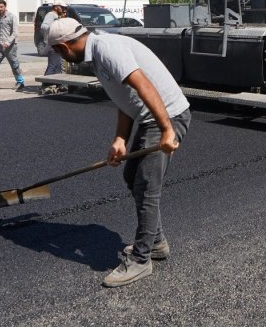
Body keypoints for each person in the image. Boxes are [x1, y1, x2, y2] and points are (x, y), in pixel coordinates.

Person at [48, 17, 191, 288]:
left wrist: (167, 131)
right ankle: (156, 242)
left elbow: (144, 85)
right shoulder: (99, 53)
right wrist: (120, 139)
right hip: (152, 118)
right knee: (132, 178)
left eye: (57, 51)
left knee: (147, 185)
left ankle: (141, 259)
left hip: (167, 116)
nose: (59, 56)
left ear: (65, 47)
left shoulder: (106, 49)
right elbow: (126, 98)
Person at [39, 1, 68, 94]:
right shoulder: (51, 15)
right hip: (52, 44)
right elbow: (44, 26)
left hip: (57, 44)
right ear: (56, 7)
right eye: (62, 7)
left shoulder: (58, 16)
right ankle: (45, 85)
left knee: (59, 65)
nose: (64, 9)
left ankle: (59, 84)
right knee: (53, 65)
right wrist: (55, 27)